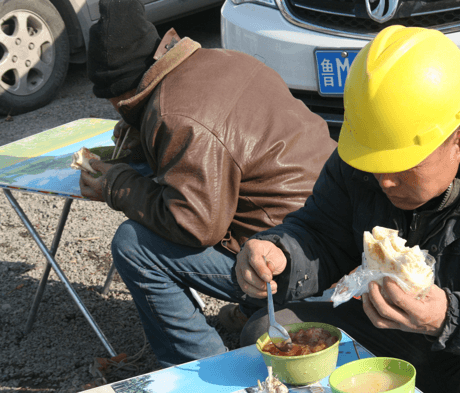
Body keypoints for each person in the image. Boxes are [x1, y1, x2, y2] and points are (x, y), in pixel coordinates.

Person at [235, 25, 460, 393]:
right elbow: (321, 233)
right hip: (396, 329)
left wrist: (449, 316)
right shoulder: (366, 156)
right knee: (269, 332)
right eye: (375, 163)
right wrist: (282, 254)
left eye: (402, 164)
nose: (384, 180)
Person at [79, 0, 337, 367]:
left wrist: (116, 186)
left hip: (289, 260)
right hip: (331, 232)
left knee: (133, 244)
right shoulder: (221, 60)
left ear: (120, 94)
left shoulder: (175, 117)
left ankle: (200, 367)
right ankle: (253, 308)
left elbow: (195, 224)